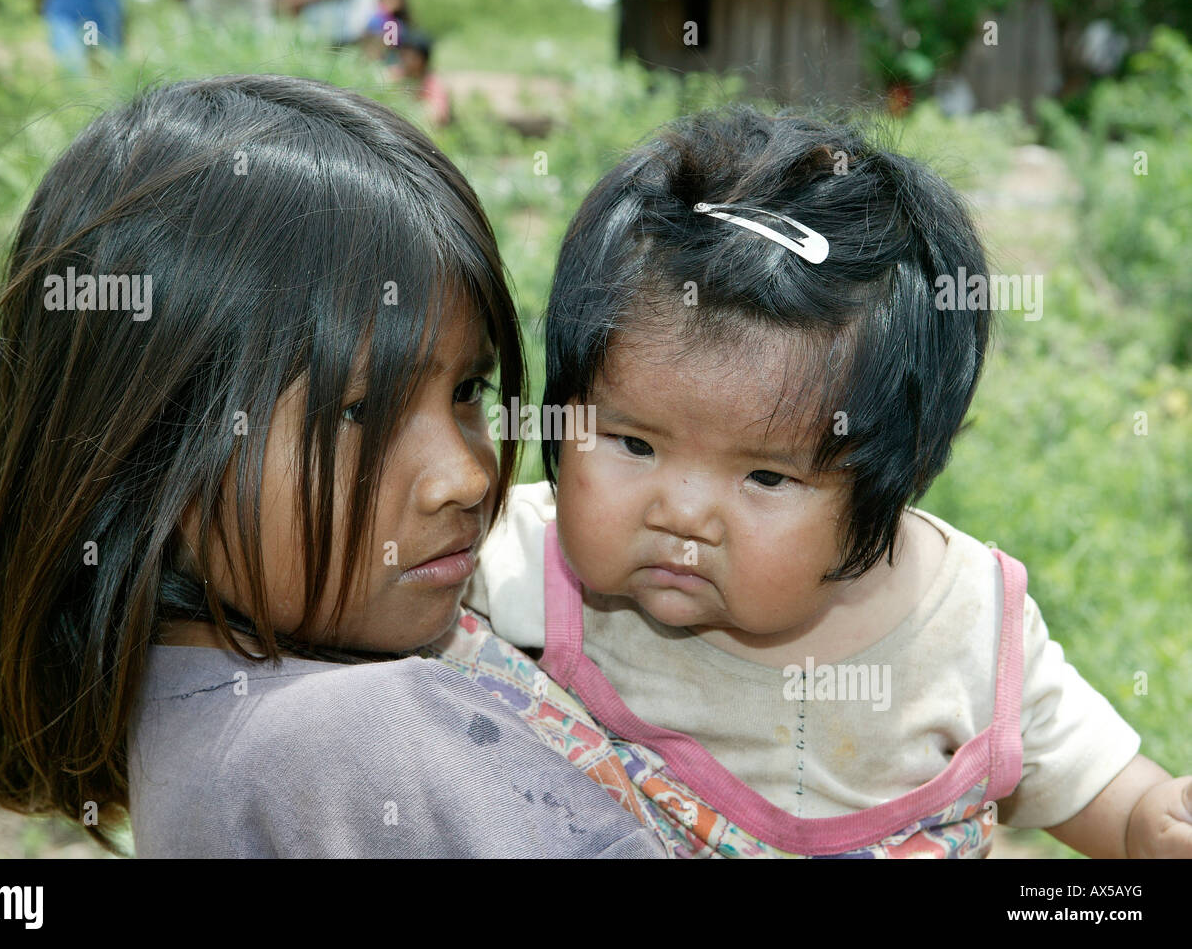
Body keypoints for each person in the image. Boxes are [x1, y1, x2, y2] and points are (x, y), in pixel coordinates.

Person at [0, 74, 665, 859]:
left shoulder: (182, 704)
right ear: (152, 451)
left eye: (468, 390)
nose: (467, 475)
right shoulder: (369, 738)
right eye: (360, 413)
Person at [463, 106, 1192, 858]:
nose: (681, 511)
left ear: (889, 480)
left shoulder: (966, 630)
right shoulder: (524, 562)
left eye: (767, 476)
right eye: (634, 443)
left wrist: (1151, 819)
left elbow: (1106, 787)